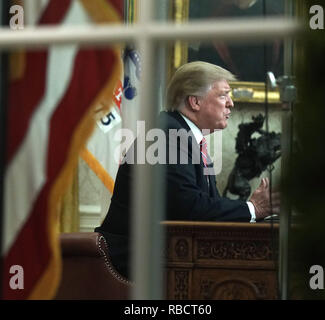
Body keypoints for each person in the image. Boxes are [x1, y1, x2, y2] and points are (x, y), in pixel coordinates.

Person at [95, 61, 280, 279]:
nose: (231, 103)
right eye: (223, 95)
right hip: (138, 260)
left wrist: (252, 212)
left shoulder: (185, 136)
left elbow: (205, 206)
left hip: (170, 253)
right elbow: (189, 207)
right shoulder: (167, 136)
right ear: (195, 102)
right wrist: (252, 209)